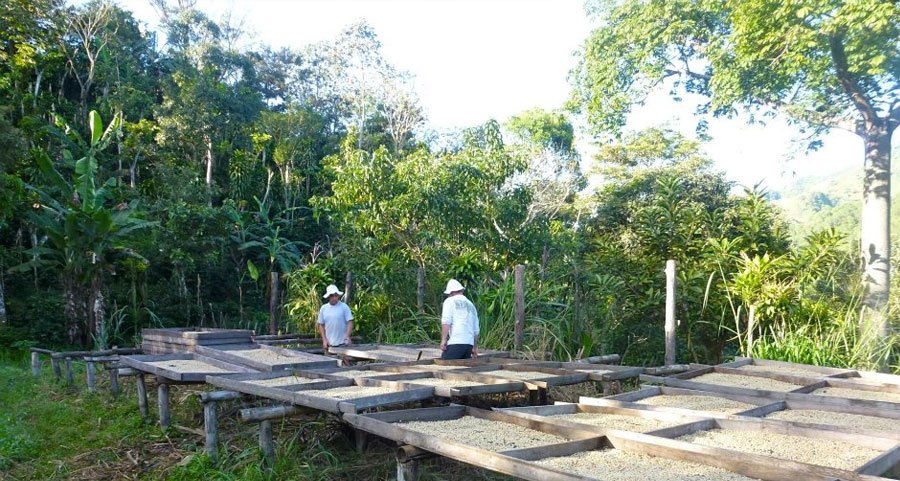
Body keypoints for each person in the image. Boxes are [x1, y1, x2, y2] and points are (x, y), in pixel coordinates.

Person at [439, 279, 480, 360]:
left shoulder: (449, 301)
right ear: (461, 291)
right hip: (469, 346)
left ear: (451, 292)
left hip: (456, 343)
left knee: (444, 366)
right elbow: (476, 331)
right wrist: (474, 348)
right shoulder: (471, 305)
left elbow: (446, 322)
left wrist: (443, 340)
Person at [317, 284, 354, 350]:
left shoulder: (344, 307)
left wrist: (347, 336)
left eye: (336, 295)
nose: (334, 298)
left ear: (338, 296)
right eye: (332, 296)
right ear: (328, 297)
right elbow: (320, 324)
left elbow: (350, 322)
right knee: (329, 360)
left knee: (344, 360)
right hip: (329, 344)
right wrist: (324, 340)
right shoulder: (324, 308)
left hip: (343, 343)